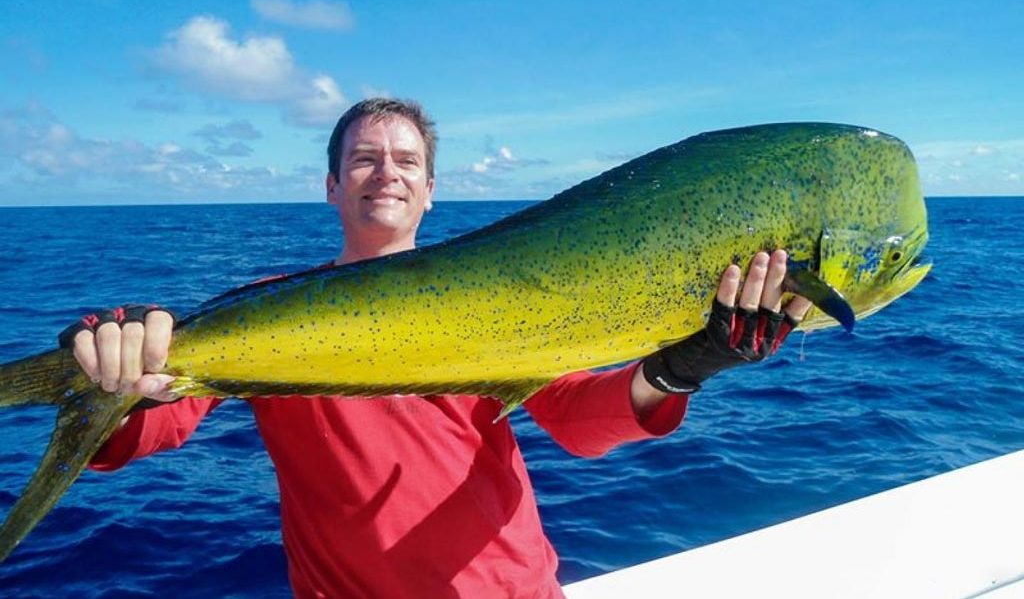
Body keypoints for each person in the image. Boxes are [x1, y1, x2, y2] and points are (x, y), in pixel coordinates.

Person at [62, 98, 811, 598]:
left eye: (406, 161)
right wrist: (113, 373)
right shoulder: (270, 312)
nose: (385, 172)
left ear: (430, 191)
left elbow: (577, 423)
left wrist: (679, 368)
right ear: (331, 187)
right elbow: (153, 425)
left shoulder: (503, 296)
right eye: (363, 159)